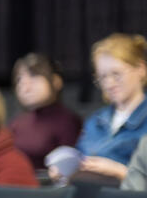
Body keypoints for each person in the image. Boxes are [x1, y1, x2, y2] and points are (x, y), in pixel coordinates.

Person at [69, 33, 147, 181]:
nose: (109, 84)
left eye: (116, 74)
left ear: (141, 69)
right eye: (103, 77)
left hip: (126, 195)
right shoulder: (95, 121)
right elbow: (79, 161)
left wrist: (120, 171)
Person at [8, 53, 82, 170]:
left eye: (33, 76)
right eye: (19, 79)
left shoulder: (68, 122)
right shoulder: (17, 123)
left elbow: (69, 169)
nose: (25, 85)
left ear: (56, 81)